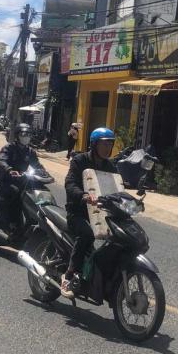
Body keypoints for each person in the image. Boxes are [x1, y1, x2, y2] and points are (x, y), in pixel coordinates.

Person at [62, 126, 117, 298]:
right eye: (104, 144)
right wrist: (83, 195)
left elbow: (117, 186)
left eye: (110, 144)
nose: (107, 148)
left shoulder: (110, 166)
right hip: (78, 212)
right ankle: (69, 276)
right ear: (94, 144)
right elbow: (70, 183)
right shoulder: (79, 160)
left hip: (100, 213)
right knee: (87, 234)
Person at [0, 123, 44, 232]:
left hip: (23, 180)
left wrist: (44, 173)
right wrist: (9, 170)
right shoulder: (8, 148)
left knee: (37, 193)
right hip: (8, 180)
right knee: (16, 193)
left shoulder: (30, 151)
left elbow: (37, 165)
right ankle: (12, 223)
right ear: (17, 135)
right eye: (23, 134)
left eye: (28, 134)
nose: (26, 137)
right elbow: (2, 161)